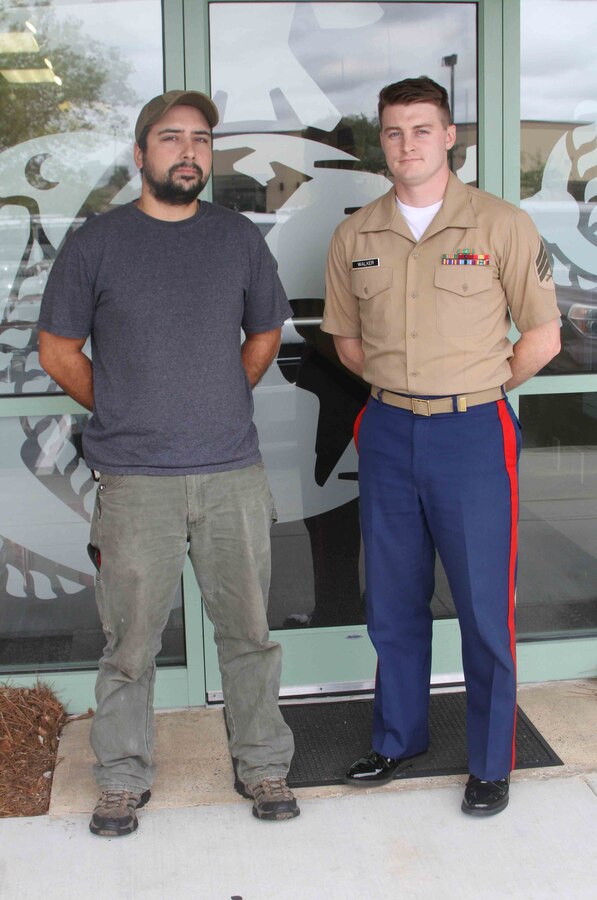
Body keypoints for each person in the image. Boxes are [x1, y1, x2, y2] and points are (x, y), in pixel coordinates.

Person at [38, 89, 299, 836]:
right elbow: (58, 350)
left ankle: (263, 765)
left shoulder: (237, 239)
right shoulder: (97, 243)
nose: (188, 152)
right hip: (134, 483)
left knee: (248, 634)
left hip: (231, 474)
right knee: (130, 646)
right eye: (171, 139)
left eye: (200, 141)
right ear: (140, 153)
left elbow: (263, 334)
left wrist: (220, 392)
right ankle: (121, 778)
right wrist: (122, 403)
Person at [322, 76, 561, 816]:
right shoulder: (355, 233)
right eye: (393, 132)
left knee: (484, 606)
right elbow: (346, 342)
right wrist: (406, 391)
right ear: (381, 143)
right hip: (389, 430)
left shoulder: (501, 225)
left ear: (449, 135)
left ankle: (490, 762)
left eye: (421, 129)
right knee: (392, 602)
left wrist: (478, 386)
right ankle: (399, 738)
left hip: (472, 432)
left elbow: (543, 338)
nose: (407, 144)